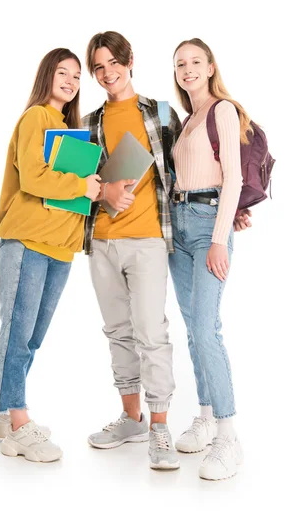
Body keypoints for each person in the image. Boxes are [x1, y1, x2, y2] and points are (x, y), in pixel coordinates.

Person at [0, 48, 101, 462]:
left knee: (31, 339)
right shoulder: (36, 116)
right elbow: (33, 176)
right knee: (17, 334)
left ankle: (4, 412)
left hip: (60, 248)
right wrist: (82, 186)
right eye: (63, 73)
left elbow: (72, 190)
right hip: (28, 242)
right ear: (47, 76)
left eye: (76, 76)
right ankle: (18, 421)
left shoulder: (70, 128)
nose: (70, 81)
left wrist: (94, 188)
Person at [82, 31, 182, 470]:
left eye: (112, 63)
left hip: (147, 241)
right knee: (118, 331)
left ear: (130, 60)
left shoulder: (160, 113)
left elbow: (187, 168)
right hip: (102, 240)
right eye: (98, 68)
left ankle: (160, 426)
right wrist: (104, 191)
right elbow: (79, 186)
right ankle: (131, 418)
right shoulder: (87, 122)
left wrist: (229, 209)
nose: (107, 73)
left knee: (150, 331)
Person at [168, 37, 250, 480]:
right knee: (193, 328)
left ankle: (228, 436)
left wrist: (220, 237)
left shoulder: (222, 109)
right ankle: (203, 415)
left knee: (206, 326)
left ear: (211, 65)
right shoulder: (187, 120)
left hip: (205, 227)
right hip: (178, 226)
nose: (188, 69)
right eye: (181, 64)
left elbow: (233, 179)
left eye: (195, 61)